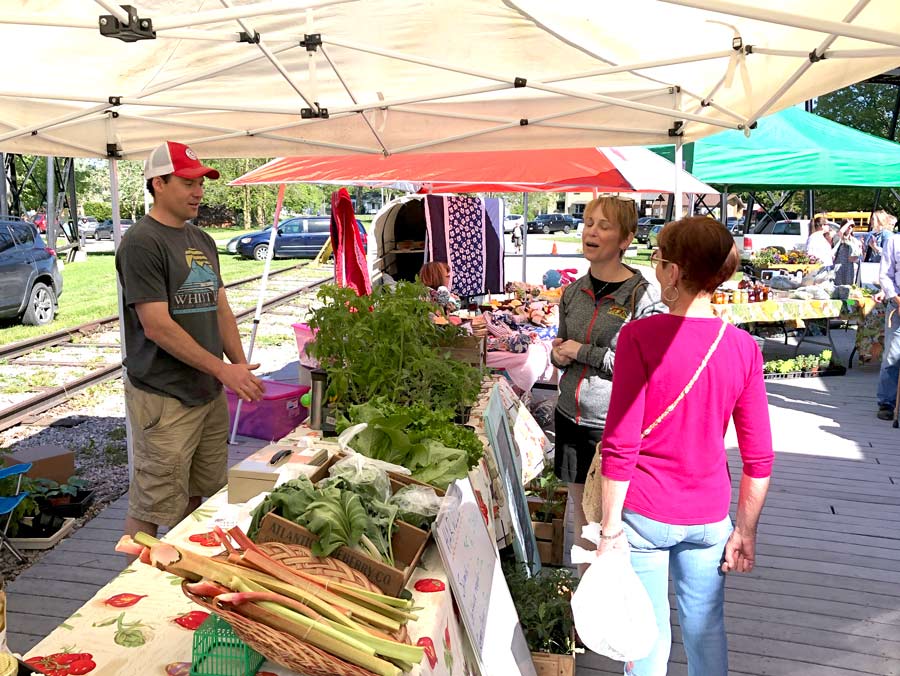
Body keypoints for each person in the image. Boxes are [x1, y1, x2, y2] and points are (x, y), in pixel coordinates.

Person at [592, 216, 774, 676]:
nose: (655, 268)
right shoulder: (743, 347)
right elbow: (758, 457)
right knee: (706, 628)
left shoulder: (638, 337)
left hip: (644, 512)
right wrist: (746, 530)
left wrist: (609, 532)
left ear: (673, 272)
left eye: (658, 260)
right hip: (709, 515)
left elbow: (620, 443)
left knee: (645, 633)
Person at [117, 141, 264, 545]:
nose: (198, 192)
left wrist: (239, 367)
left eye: (201, 183)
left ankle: (183, 567)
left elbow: (221, 310)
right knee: (152, 506)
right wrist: (223, 370)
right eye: (187, 183)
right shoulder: (142, 242)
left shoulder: (202, 239)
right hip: (164, 397)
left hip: (207, 391)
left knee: (202, 495)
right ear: (158, 183)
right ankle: (133, 581)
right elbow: (157, 326)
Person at [549, 195, 662, 573]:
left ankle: (614, 597)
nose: (591, 232)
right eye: (588, 223)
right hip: (570, 418)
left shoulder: (643, 298)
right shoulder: (572, 292)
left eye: (604, 226)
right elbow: (560, 348)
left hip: (614, 427)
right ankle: (585, 600)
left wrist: (583, 352)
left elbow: (643, 367)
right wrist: (558, 354)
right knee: (582, 520)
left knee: (611, 525)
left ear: (626, 239)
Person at [877, 231, 900, 421]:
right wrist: (897, 299)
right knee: (892, 355)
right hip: (897, 303)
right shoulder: (894, 241)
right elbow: (885, 275)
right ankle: (887, 402)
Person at [832, 219, 862, 285]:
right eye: (848, 226)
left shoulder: (854, 240)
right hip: (838, 267)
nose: (850, 227)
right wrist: (849, 223)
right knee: (838, 287)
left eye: (851, 226)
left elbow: (858, 255)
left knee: (849, 287)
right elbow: (840, 233)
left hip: (849, 268)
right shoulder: (838, 238)